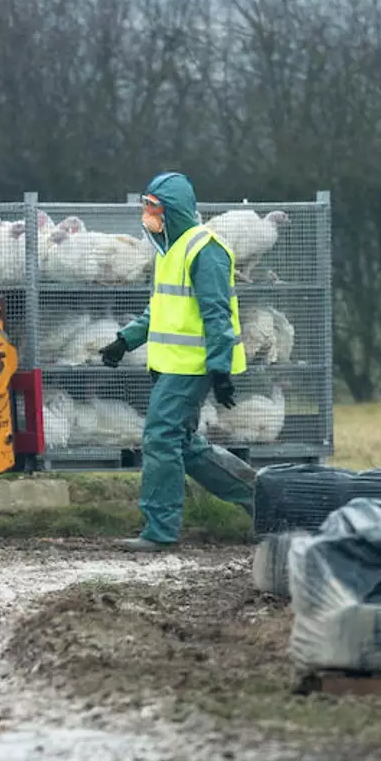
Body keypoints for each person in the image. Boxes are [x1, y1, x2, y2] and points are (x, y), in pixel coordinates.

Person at [97, 172, 257, 551]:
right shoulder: (173, 249)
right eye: (145, 206)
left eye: (153, 208)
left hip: (194, 366)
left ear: (173, 211)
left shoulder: (205, 250)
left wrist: (219, 370)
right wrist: (125, 340)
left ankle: (159, 530)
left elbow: (217, 314)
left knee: (161, 437)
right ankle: (262, 498)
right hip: (175, 364)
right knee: (184, 445)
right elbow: (163, 308)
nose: (146, 215)